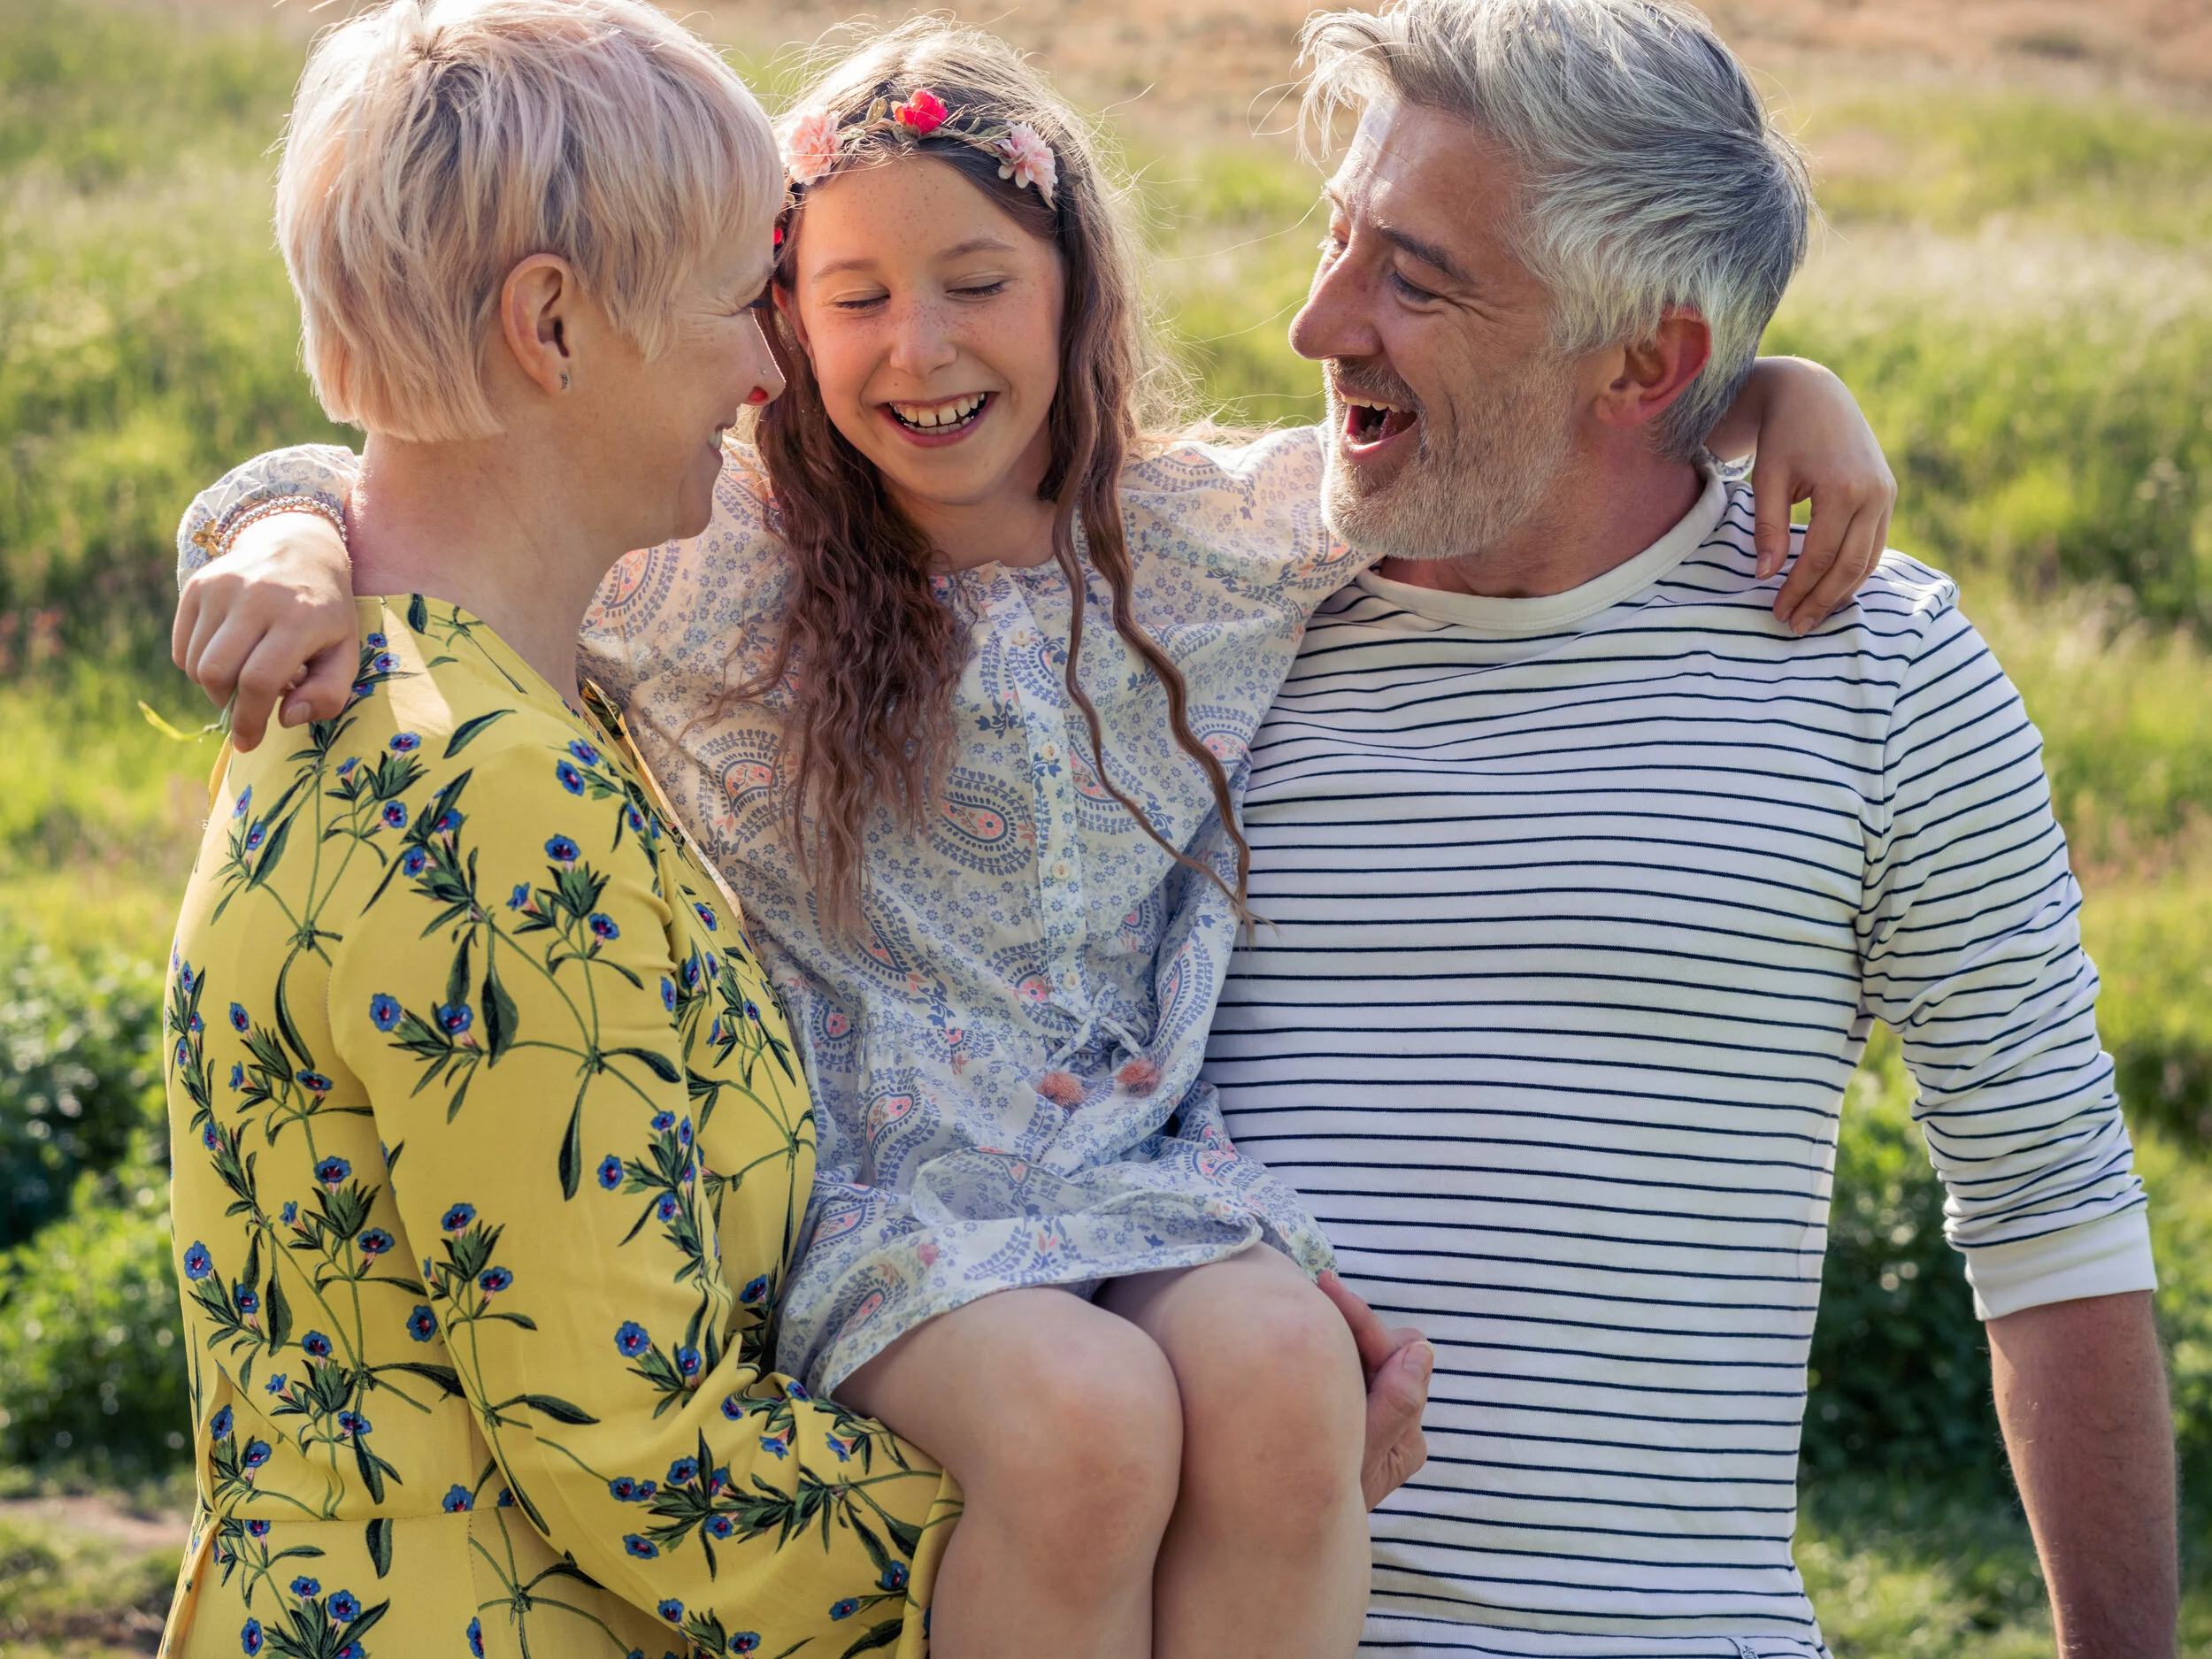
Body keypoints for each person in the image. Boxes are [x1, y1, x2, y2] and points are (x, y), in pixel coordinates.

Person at [167, 19, 1893, 1656]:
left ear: (1076, 296)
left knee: (1292, 1377)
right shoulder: (714, 562)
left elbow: (1512, 405)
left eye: (977, 283)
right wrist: (286, 536)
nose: (915, 346)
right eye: (844, 296)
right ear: (776, 323)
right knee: (1081, 1425)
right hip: (878, 1190)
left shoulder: (1203, 538)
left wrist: (1758, 395)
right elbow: (426, 463)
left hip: (1133, 1172)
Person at [1199, 2, 2179, 1656]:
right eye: (1339, 235)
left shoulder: (1883, 666)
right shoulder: (1204, 596)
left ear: (1646, 361)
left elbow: (2054, 1222)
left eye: (1414, 278)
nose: (1316, 323)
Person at [157, 4, 966, 1655]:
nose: (769, 365)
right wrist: (1104, 1519)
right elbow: (650, 1468)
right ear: (553, 324)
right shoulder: (488, 792)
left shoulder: (417, 680)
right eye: (742, 296)